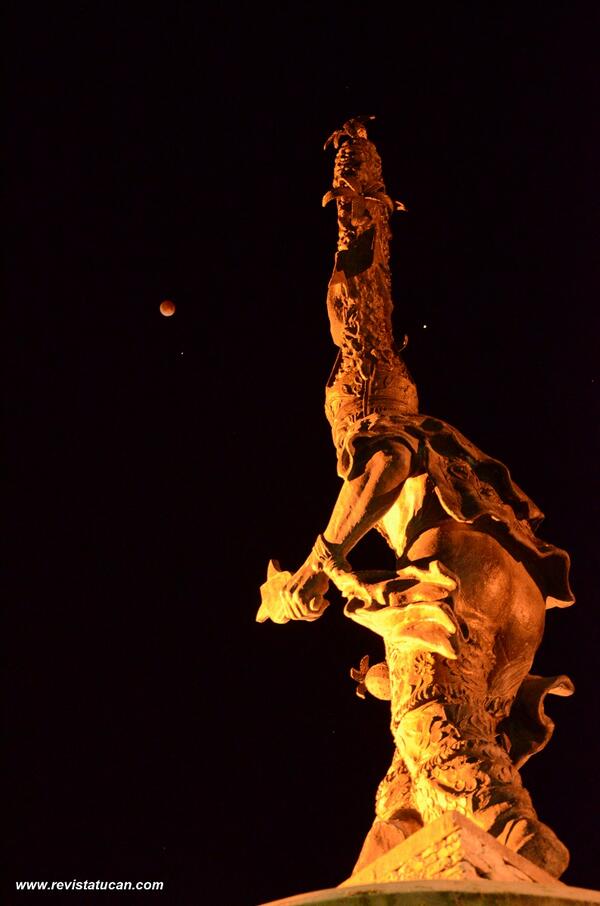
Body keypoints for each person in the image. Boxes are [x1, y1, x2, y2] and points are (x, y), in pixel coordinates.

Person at [258, 119, 574, 878]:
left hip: (455, 575)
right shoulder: (442, 440)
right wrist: (378, 674)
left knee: (446, 743)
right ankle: (380, 875)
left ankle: (518, 835)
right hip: (516, 596)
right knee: (408, 796)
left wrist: (319, 564)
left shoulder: (370, 402)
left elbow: (383, 466)